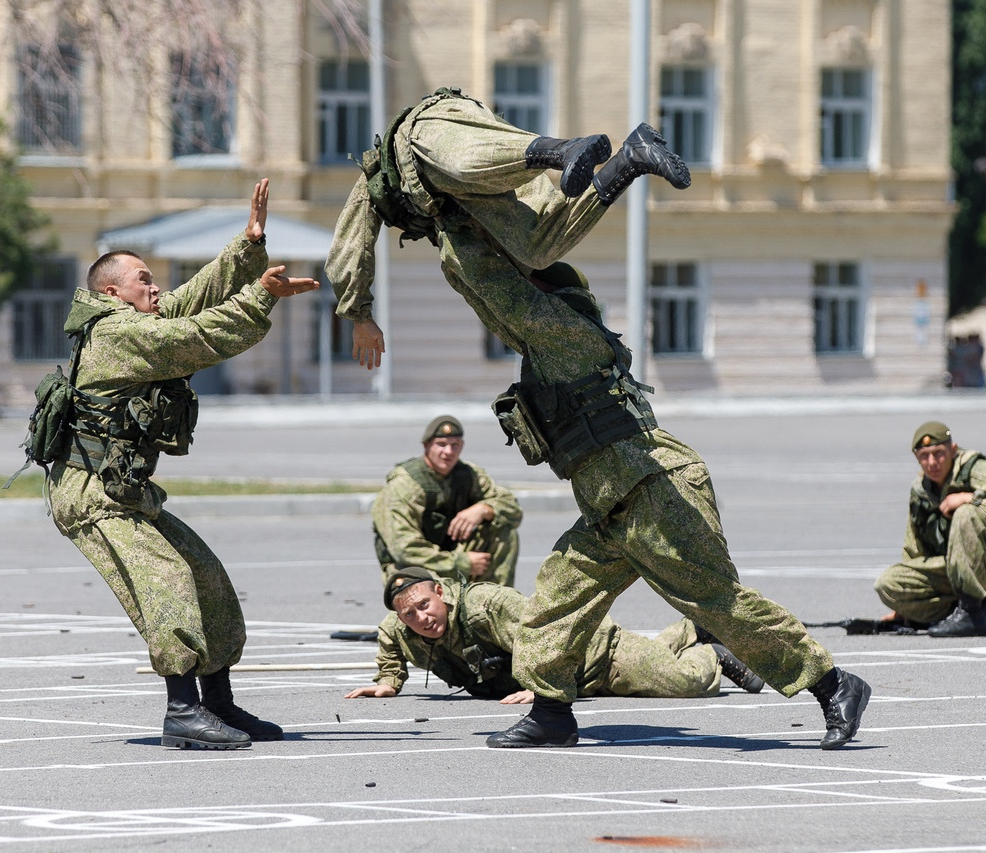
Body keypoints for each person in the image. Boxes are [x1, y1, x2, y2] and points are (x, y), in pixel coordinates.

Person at [343, 247, 871, 750]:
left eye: (530, 289)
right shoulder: (547, 352)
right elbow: (494, 302)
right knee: (554, 601)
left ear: (552, 297)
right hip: (608, 504)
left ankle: (832, 684)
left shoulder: (571, 334)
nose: (517, 301)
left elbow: (498, 296)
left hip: (655, 490)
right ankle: (551, 715)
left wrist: (456, 241)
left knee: (715, 602)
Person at [46, 180, 319, 750]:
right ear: (113, 293)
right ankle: (181, 711)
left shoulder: (132, 319)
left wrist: (247, 249)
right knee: (167, 581)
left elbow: (188, 301)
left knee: (204, 576)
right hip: (91, 495)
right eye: (143, 279)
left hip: (122, 490)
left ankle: (218, 703)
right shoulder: (118, 333)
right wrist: (260, 298)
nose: (155, 285)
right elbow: (194, 335)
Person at [325, 87, 692, 369]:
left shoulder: (372, 185)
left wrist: (360, 316)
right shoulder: (464, 235)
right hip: (476, 188)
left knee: (460, 163)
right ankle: (633, 156)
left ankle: (563, 150)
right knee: (538, 246)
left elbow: (349, 249)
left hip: (427, 134)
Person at [343, 568, 764, 704]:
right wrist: (388, 681)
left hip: (597, 655)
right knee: (657, 663)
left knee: (687, 685)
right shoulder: (402, 627)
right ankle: (687, 630)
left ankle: (711, 652)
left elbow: (544, 635)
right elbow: (390, 640)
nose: (420, 617)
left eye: (424, 604)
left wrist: (538, 686)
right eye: (409, 613)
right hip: (577, 678)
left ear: (440, 591)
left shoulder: (485, 605)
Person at [874, 421, 986, 637]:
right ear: (916, 457)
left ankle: (971, 613)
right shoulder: (921, 491)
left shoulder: (976, 470)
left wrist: (970, 498)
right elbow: (914, 550)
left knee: (965, 513)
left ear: (953, 449)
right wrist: (904, 607)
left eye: (939, 453)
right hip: (957, 569)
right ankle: (961, 612)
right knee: (888, 584)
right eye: (924, 456)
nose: (932, 462)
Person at [372, 414, 523, 588]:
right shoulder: (406, 484)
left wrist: (484, 509)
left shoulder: (468, 475)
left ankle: (494, 603)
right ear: (426, 446)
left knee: (503, 531)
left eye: (455, 445)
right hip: (414, 567)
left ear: (462, 447)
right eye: (441, 445)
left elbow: (513, 508)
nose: (448, 452)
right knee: (431, 603)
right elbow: (405, 549)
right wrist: (461, 562)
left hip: (450, 555)